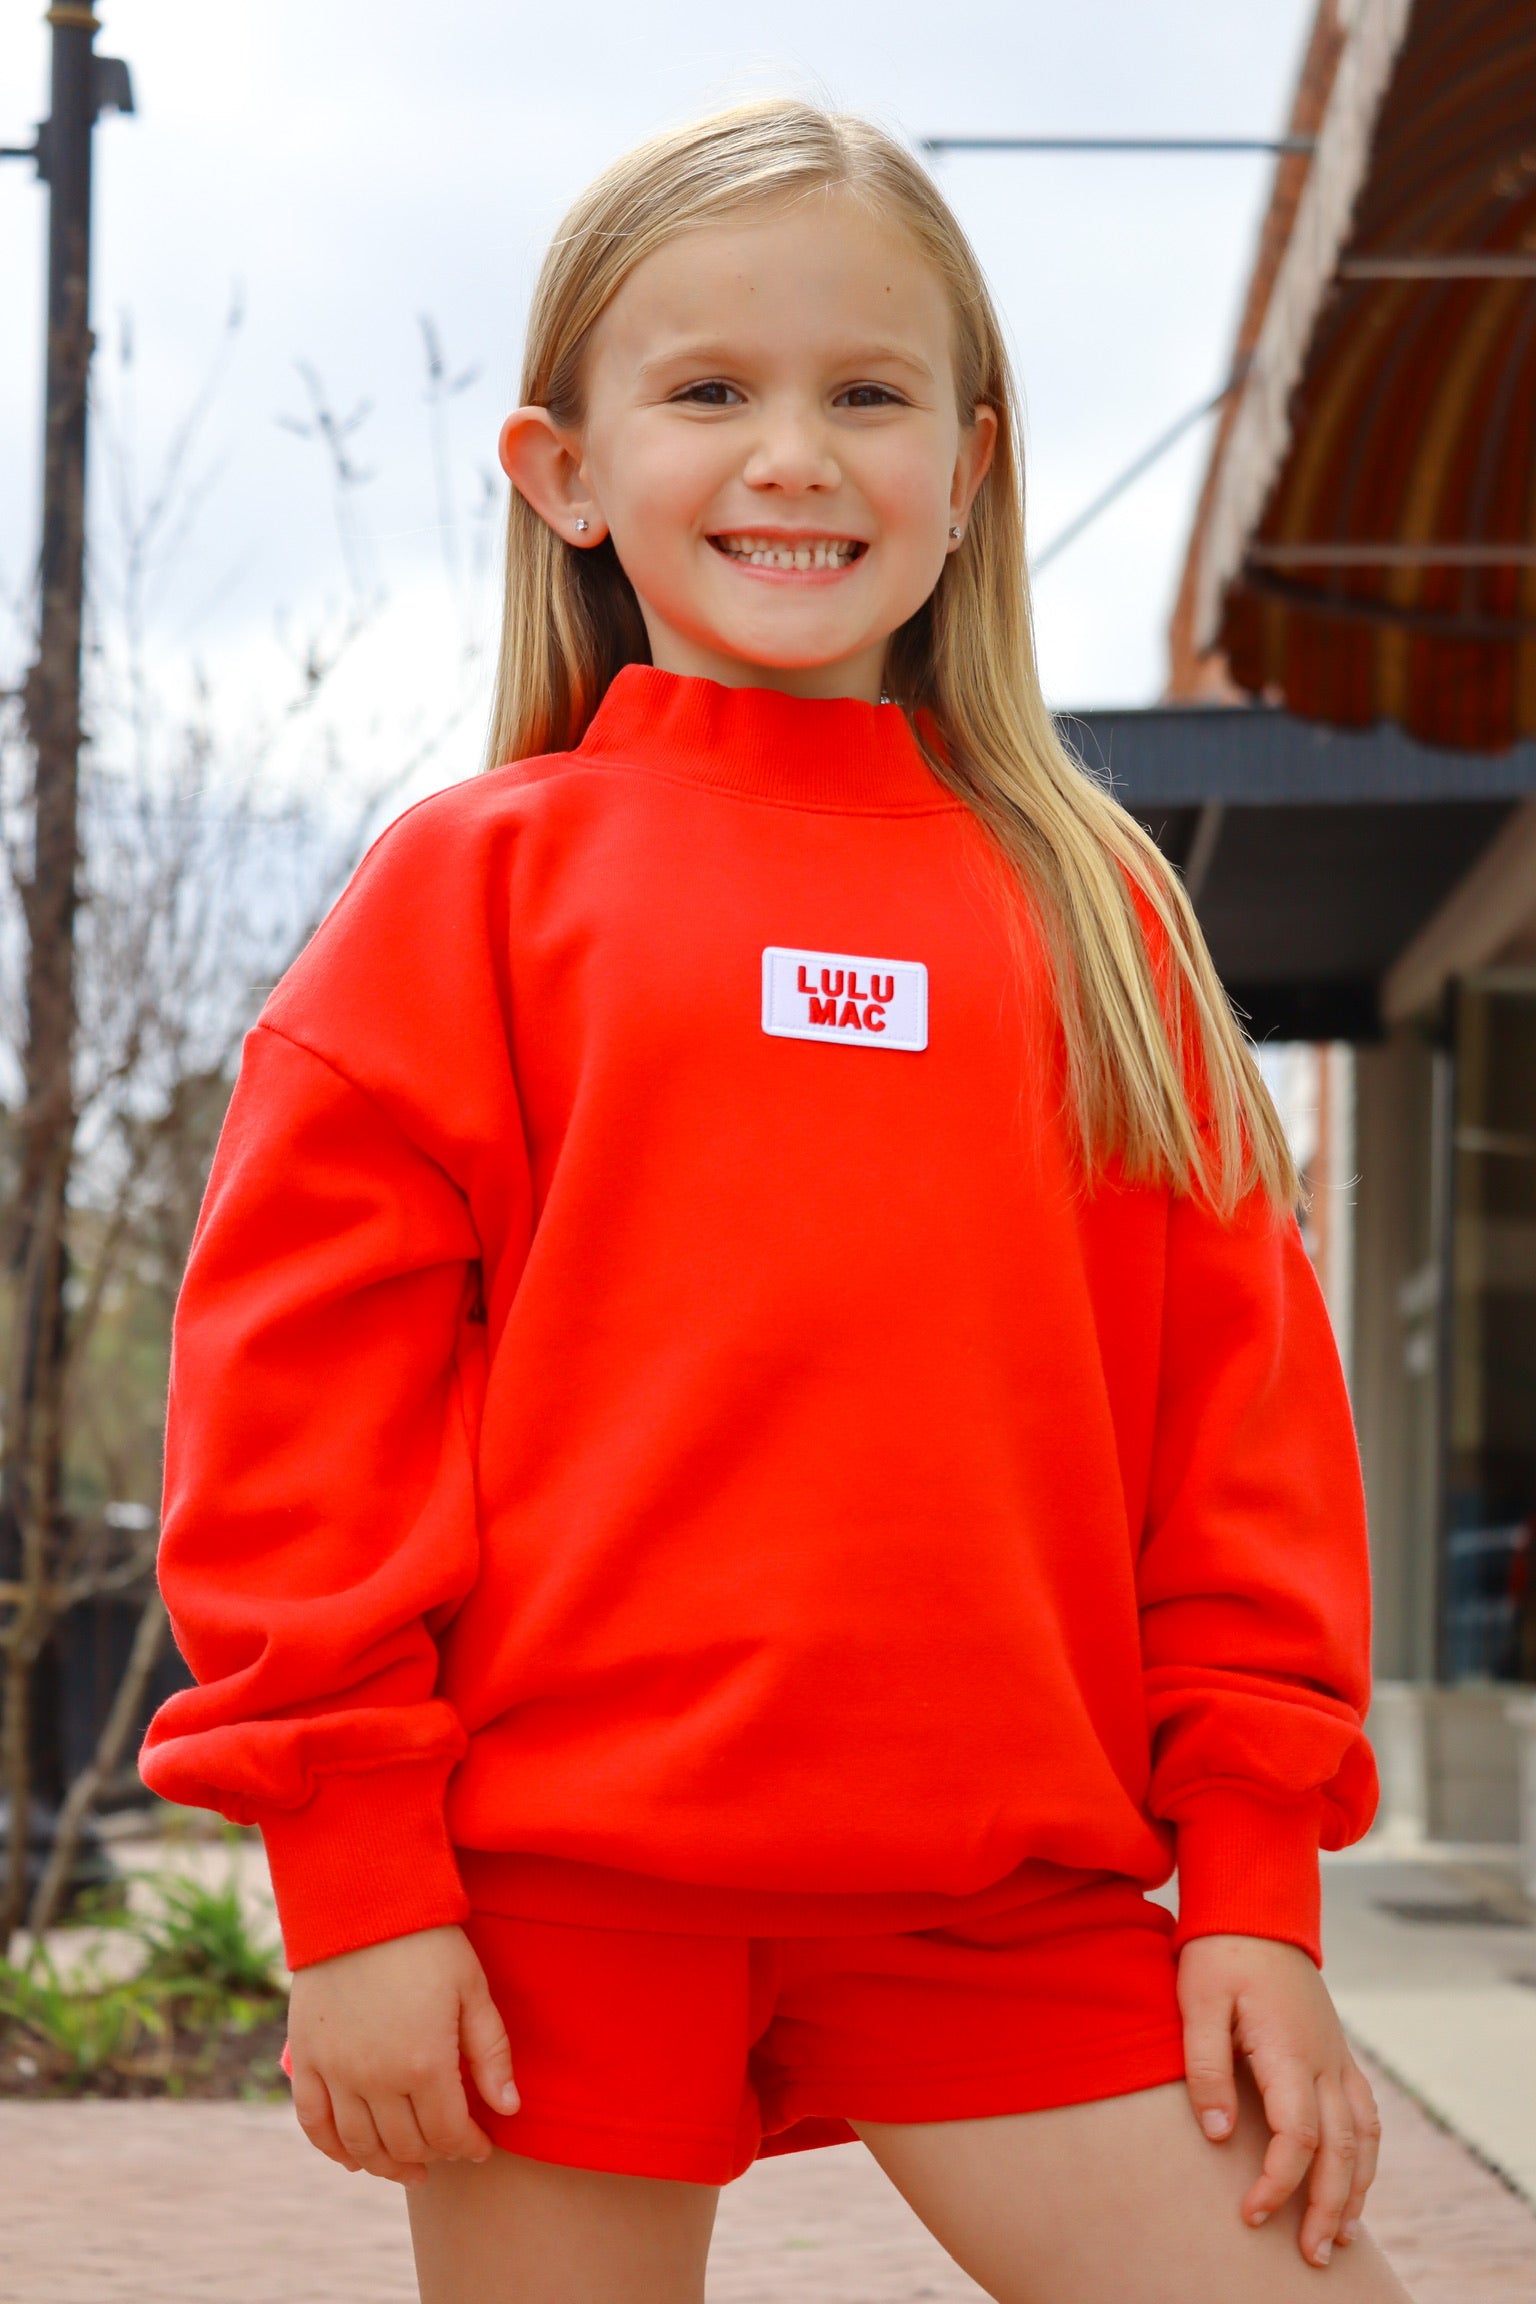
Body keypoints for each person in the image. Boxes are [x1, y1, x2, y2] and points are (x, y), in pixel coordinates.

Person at [142, 99, 1409, 2304]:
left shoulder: (1099, 918)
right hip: (558, 1901)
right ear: (564, 469)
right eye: (713, 390)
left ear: (973, 469)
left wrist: (1255, 1896)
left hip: (1005, 1901)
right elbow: (299, 1420)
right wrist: (355, 1886)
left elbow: (1245, 1457)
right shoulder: (469, 893)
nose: (795, 457)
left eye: (869, 395)